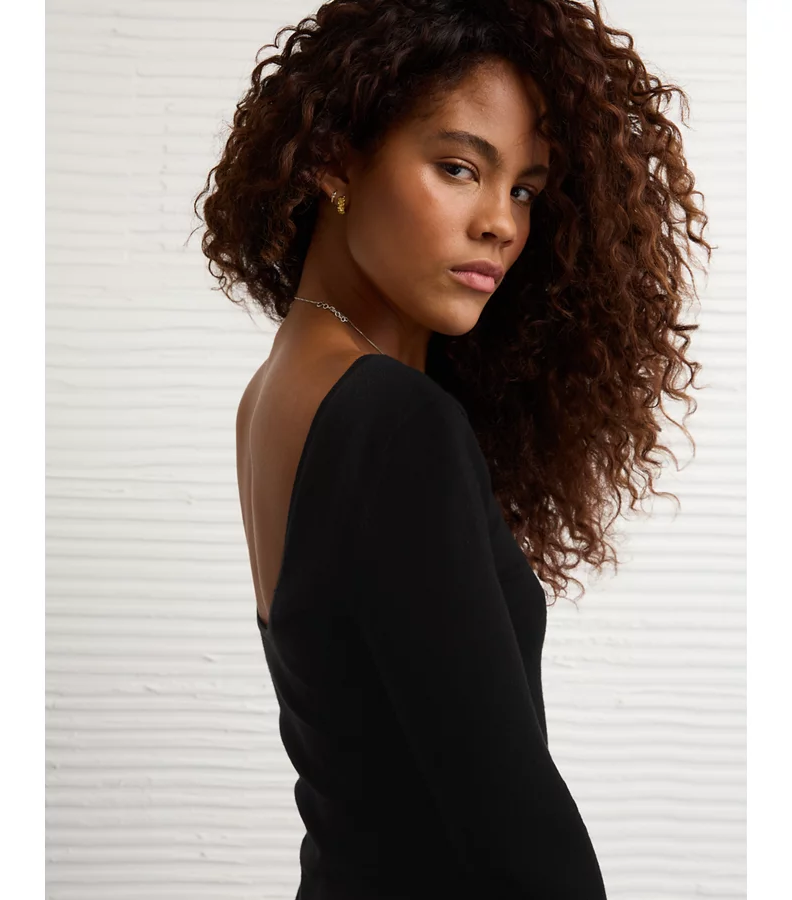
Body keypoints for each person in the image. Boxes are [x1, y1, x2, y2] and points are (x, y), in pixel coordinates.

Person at [193, 0, 710, 896]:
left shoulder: (282, 386)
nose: (500, 223)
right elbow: (518, 833)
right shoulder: (393, 419)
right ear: (333, 157)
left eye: (524, 190)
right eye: (459, 168)